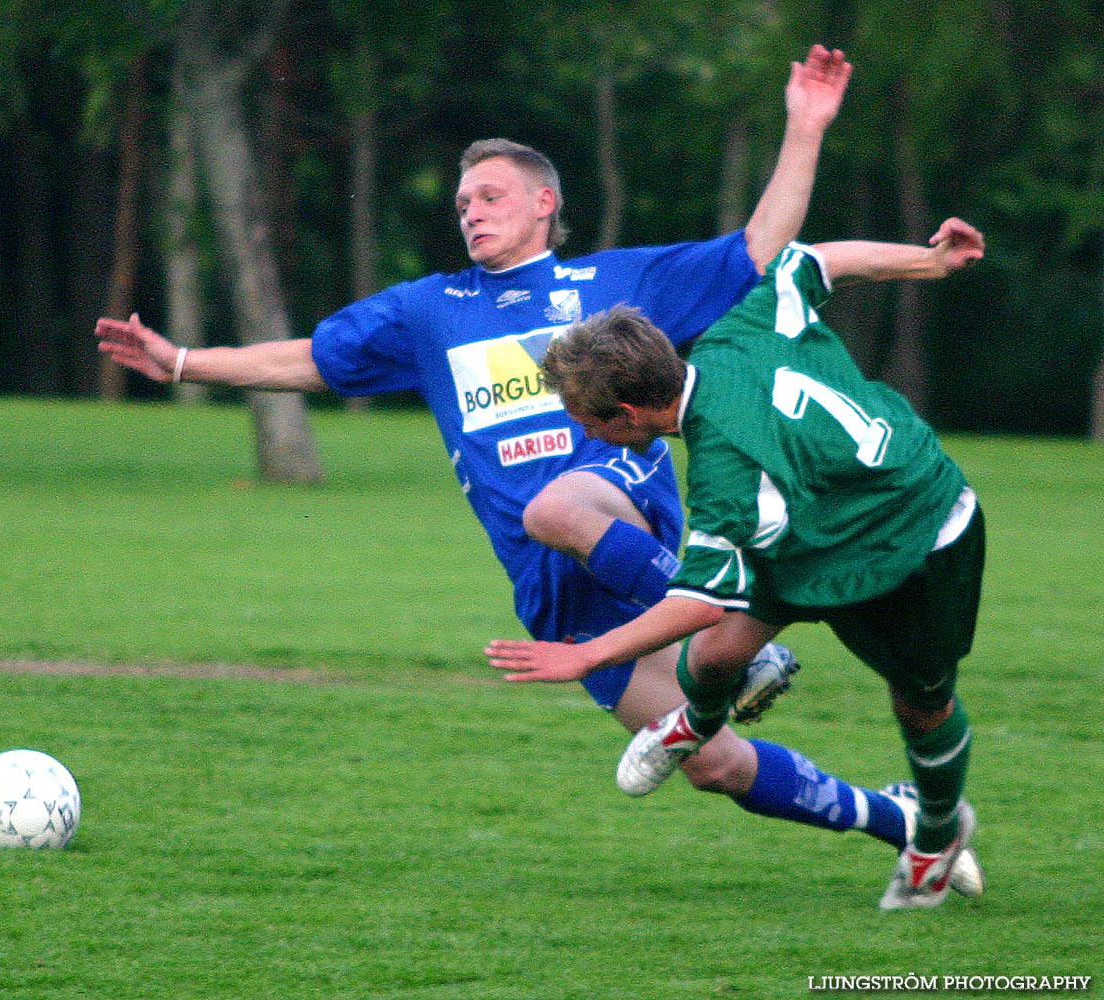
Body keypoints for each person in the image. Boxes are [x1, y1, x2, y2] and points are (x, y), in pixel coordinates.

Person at [98, 46, 977, 886]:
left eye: (488, 195)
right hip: (552, 589)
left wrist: (806, 129)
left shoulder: (614, 284)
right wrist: (181, 362)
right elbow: (308, 361)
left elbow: (763, 249)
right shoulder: (429, 311)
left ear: (545, 202)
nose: (471, 211)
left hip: (615, 502)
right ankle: (902, 822)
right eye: (462, 204)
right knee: (714, 766)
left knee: (554, 505)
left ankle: (730, 640)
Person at [484, 218, 987, 909]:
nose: (583, 433)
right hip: (811, 520)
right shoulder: (737, 329)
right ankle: (694, 721)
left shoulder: (725, 466)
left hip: (912, 532)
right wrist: (927, 264)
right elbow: (815, 260)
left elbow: (699, 599)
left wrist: (586, 657)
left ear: (630, 412)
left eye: (588, 420)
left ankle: (934, 833)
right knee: (716, 658)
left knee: (922, 704)